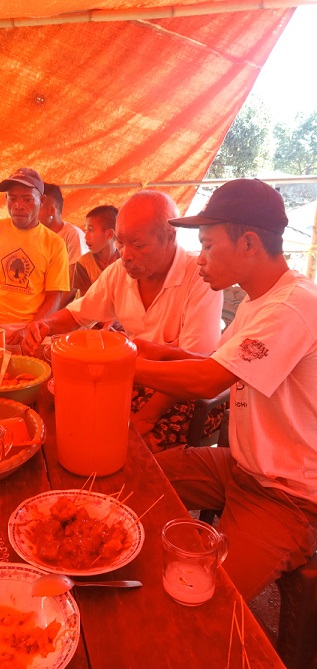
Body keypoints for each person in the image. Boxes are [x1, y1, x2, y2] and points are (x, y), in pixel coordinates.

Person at [134, 178, 317, 601]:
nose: (200, 259)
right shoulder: (257, 301)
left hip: (286, 495)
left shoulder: (294, 305)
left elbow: (208, 382)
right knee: (139, 476)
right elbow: (218, 364)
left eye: (209, 245)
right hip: (240, 467)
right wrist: (155, 351)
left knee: (207, 596)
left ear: (248, 243)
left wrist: (120, 365)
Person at [23, 190, 223, 451]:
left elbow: (194, 370)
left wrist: (147, 416)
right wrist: (45, 325)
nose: (125, 255)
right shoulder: (119, 272)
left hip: (183, 394)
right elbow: (77, 314)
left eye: (138, 245)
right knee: (60, 404)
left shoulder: (200, 278)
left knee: (128, 446)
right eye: (120, 243)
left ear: (170, 236)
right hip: (134, 378)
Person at [0, 168, 69, 343]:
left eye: (27, 199)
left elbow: (54, 295)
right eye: (12, 198)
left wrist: (33, 327)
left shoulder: (55, 244)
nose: (18, 205)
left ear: (42, 201)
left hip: (31, 327)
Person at [38, 183, 86, 304]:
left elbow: (73, 283)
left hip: (63, 308)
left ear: (51, 210)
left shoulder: (73, 235)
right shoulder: (34, 235)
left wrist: (51, 311)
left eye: (37, 207)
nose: (31, 211)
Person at [73, 205, 119, 298]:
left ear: (109, 234)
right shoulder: (84, 264)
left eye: (90, 230)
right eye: (85, 230)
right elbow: (86, 301)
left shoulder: (124, 260)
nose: (86, 236)